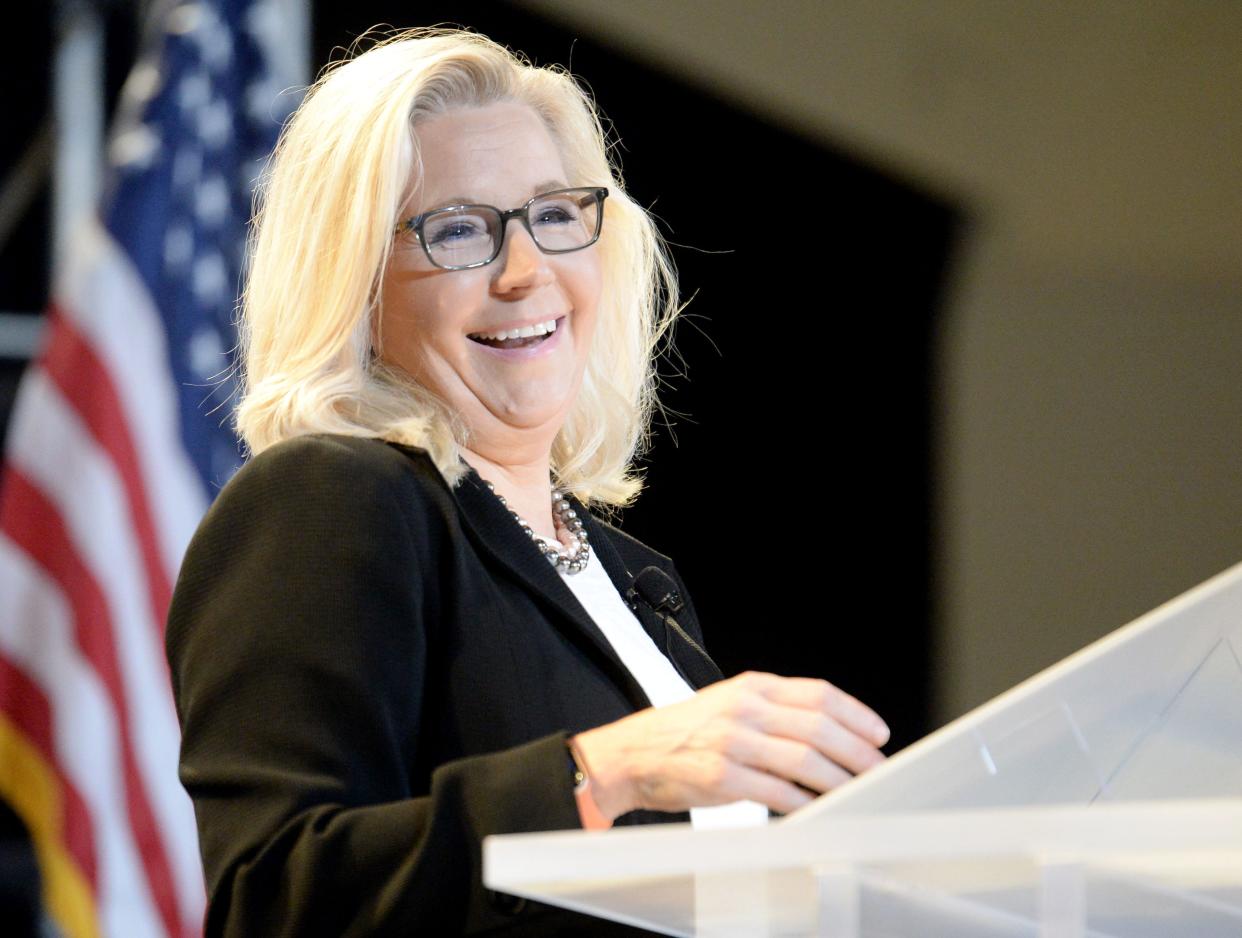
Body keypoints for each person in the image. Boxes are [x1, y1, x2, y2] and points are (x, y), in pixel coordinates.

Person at [165, 27, 891, 937]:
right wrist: (601, 772)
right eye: (460, 231)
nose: (526, 271)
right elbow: (275, 896)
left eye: (553, 214)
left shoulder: (631, 577)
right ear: (353, 282)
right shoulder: (329, 500)